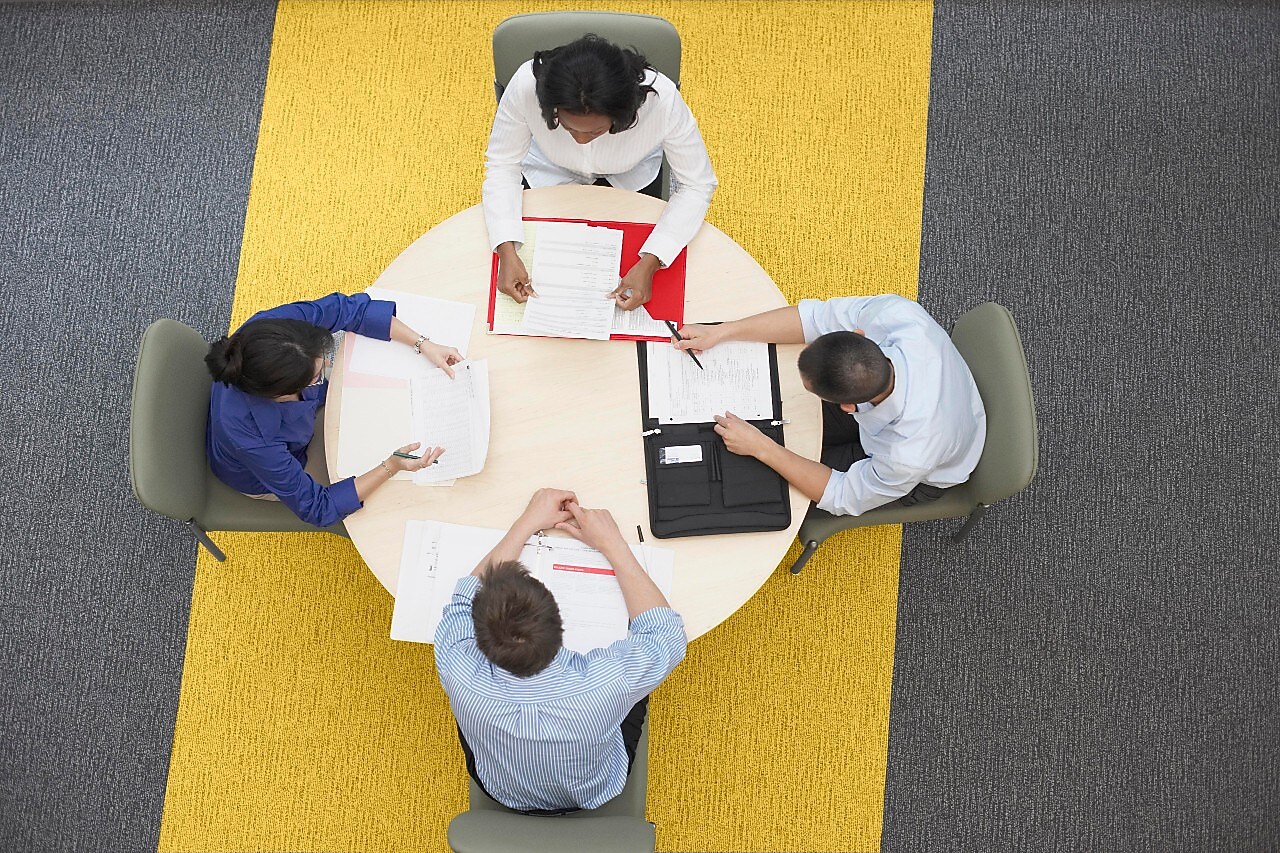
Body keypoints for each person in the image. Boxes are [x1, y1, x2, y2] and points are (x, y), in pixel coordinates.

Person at [434, 488, 686, 814]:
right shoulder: (605, 682)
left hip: (499, 786)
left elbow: (464, 598)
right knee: (638, 682)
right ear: (559, 624)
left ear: (478, 637)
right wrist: (613, 545)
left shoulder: (457, 664)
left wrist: (526, 523)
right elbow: (666, 634)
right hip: (595, 788)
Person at [675, 294, 986, 517]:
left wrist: (762, 448)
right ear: (858, 335)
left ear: (847, 408)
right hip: (930, 408)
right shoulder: (897, 315)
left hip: (924, 471)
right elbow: (813, 319)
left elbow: (841, 496)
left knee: (767, 479)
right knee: (782, 424)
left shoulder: (908, 456)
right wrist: (722, 330)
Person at [483, 34, 717, 311]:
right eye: (568, 128)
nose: (581, 140)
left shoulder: (663, 101)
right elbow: (502, 165)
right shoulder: (525, 86)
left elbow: (696, 184)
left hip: (632, 179)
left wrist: (653, 260)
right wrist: (506, 250)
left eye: (596, 131)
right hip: (549, 173)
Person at [204, 291, 462, 528]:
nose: (327, 368)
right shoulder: (253, 437)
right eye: (318, 375)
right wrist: (391, 466)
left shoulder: (275, 331)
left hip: (295, 422)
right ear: (282, 392)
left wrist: (423, 344)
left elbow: (349, 310)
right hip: (270, 468)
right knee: (391, 502)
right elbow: (319, 507)